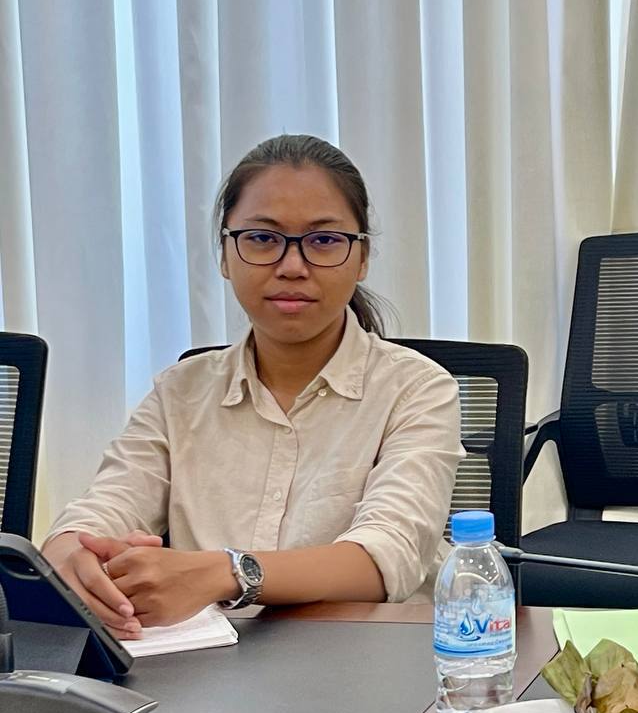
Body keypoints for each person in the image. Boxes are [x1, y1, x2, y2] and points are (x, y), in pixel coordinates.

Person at [43, 135, 463, 638]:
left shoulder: (417, 389)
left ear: (362, 257)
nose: (292, 266)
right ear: (225, 255)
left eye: (324, 241)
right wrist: (71, 553)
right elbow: (104, 509)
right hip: (208, 663)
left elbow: (386, 557)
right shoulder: (180, 392)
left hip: (369, 654)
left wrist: (224, 572)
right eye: (263, 238)